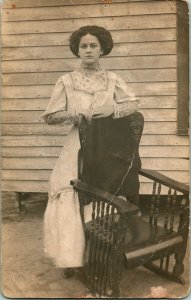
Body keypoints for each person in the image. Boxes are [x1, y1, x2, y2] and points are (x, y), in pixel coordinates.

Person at [42, 25, 140, 279]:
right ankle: (71, 257)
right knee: (71, 193)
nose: (88, 50)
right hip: (77, 146)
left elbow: (133, 104)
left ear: (102, 49)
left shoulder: (113, 79)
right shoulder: (66, 81)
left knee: (102, 192)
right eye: (83, 46)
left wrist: (113, 111)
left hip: (106, 146)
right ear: (77, 50)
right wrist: (73, 115)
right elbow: (50, 116)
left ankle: (102, 253)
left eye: (93, 45)